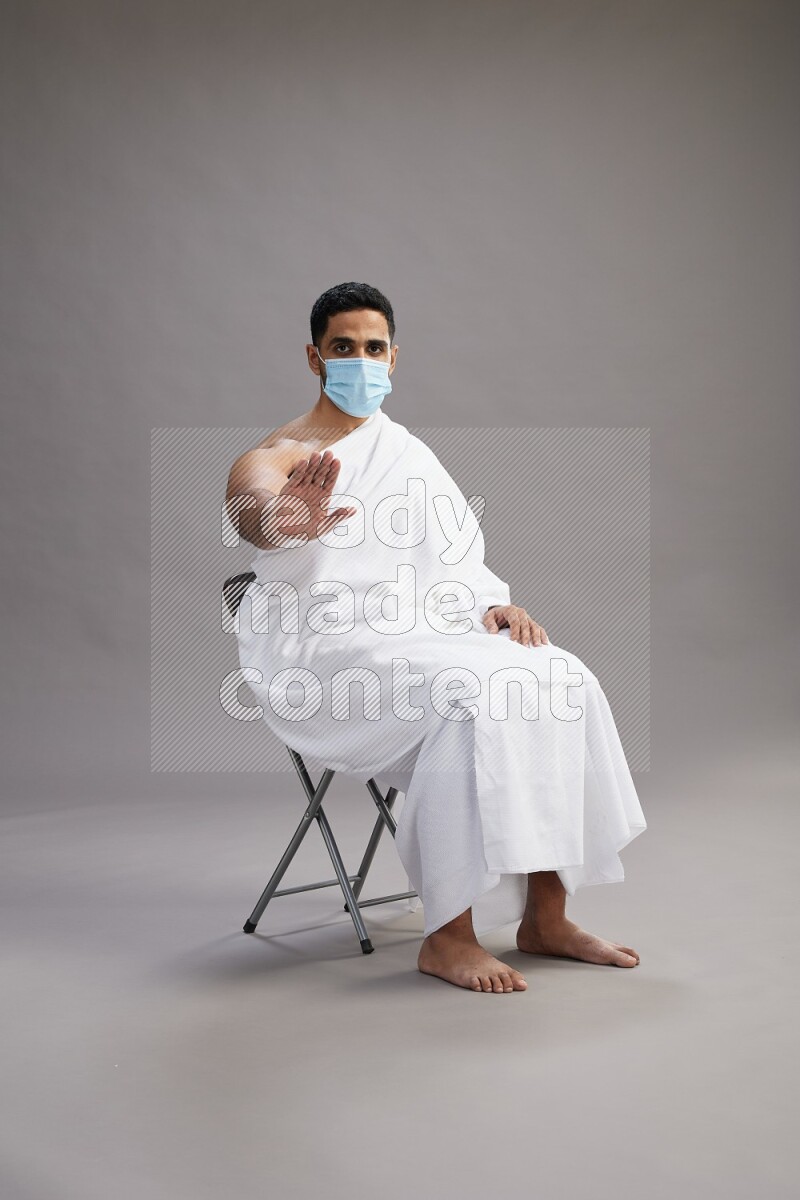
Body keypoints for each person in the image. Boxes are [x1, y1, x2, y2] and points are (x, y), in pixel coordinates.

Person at [225, 282, 647, 994]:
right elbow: (253, 511)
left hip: (424, 634)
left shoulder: (407, 453)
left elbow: (458, 563)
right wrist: (284, 520)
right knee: (466, 695)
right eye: (342, 348)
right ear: (313, 356)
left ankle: (546, 918)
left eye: (373, 348)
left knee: (561, 676)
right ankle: (447, 936)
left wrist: (494, 608)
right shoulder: (284, 450)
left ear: (394, 358)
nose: (360, 361)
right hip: (325, 651)